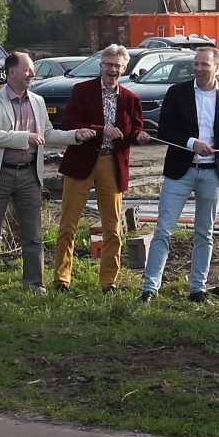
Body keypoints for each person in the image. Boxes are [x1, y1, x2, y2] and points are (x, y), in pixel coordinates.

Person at [139, 45, 219, 301]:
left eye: (204, 65)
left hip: (213, 174)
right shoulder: (177, 93)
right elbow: (164, 130)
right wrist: (191, 143)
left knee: (205, 232)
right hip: (180, 171)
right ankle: (149, 289)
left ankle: (198, 289)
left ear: (216, 67)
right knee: (164, 230)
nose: (198, 69)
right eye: (196, 64)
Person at [53, 44, 145, 292]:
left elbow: (134, 130)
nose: (113, 70)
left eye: (118, 66)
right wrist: (99, 130)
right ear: (101, 65)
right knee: (68, 225)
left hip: (112, 163)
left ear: (124, 68)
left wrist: (139, 136)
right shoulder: (82, 91)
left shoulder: (130, 98)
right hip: (82, 161)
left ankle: (108, 283)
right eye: (109, 64)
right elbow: (69, 123)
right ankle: (62, 279)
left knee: (113, 228)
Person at [0, 51, 55, 294]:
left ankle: (34, 284)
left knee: (33, 235)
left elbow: (48, 134)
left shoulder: (38, 102)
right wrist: (25, 138)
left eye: (32, 70)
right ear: (12, 72)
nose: (33, 74)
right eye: (28, 69)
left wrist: (76, 136)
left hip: (30, 175)